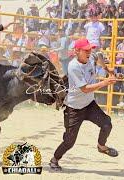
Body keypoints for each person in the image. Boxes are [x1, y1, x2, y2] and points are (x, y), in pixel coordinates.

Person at [49, 38, 119, 171]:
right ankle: (54, 160)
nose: (89, 52)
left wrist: (107, 68)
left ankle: (101, 147)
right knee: (69, 141)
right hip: (74, 108)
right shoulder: (73, 66)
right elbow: (85, 88)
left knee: (107, 124)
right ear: (77, 51)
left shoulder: (91, 56)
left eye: (90, 49)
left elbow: (98, 57)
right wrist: (105, 82)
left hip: (89, 104)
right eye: (86, 50)